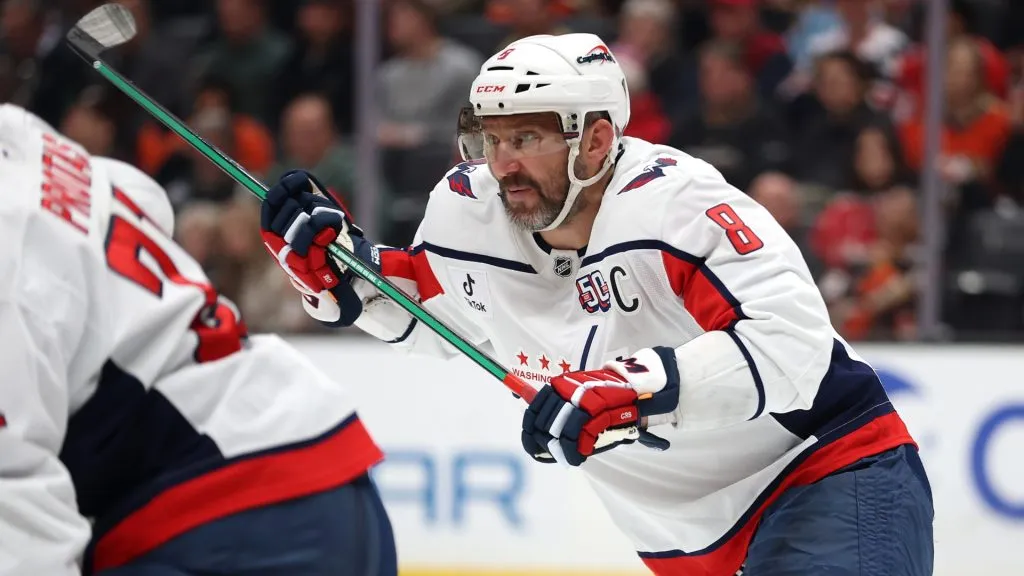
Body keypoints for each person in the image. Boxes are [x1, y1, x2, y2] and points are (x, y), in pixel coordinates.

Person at [260, 34, 933, 575]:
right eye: (491, 139)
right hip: (684, 543)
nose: (502, 165)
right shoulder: (468, 211)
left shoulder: (678, 207)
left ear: (598, 141)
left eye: (525, 139)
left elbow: (792, 347)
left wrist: (632, 386)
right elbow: (431, 309)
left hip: (821, 473)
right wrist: (337, 274)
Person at [0, 103, 396, 576]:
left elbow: (17, 503)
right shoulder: (19, 134)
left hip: (231, 520)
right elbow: (145, 200)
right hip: (311, 473)